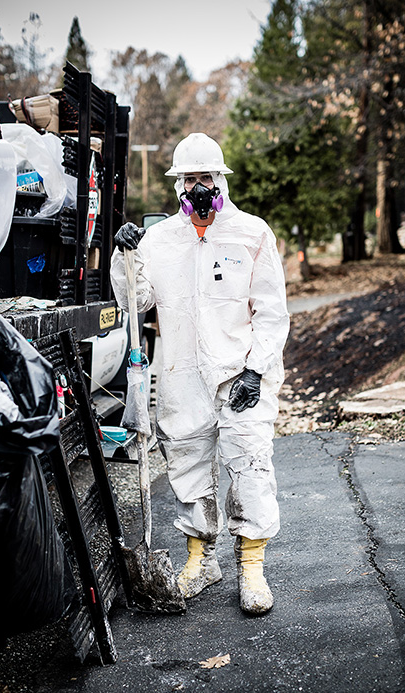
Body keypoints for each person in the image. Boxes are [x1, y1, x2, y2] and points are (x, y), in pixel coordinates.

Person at [110, 132, 290, 614]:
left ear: (221, 180)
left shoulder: (251, 233)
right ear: (177, 187)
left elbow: (272, 311)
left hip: (240, 375)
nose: (197, 187)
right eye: (189, 179)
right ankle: (200, 560)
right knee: (188, 467)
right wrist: (123, 255)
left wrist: (256, 370)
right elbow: (136, 301)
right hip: (181, 373)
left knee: (250, 465)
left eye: (205, 177)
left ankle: (252, 568)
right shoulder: (158, 240)